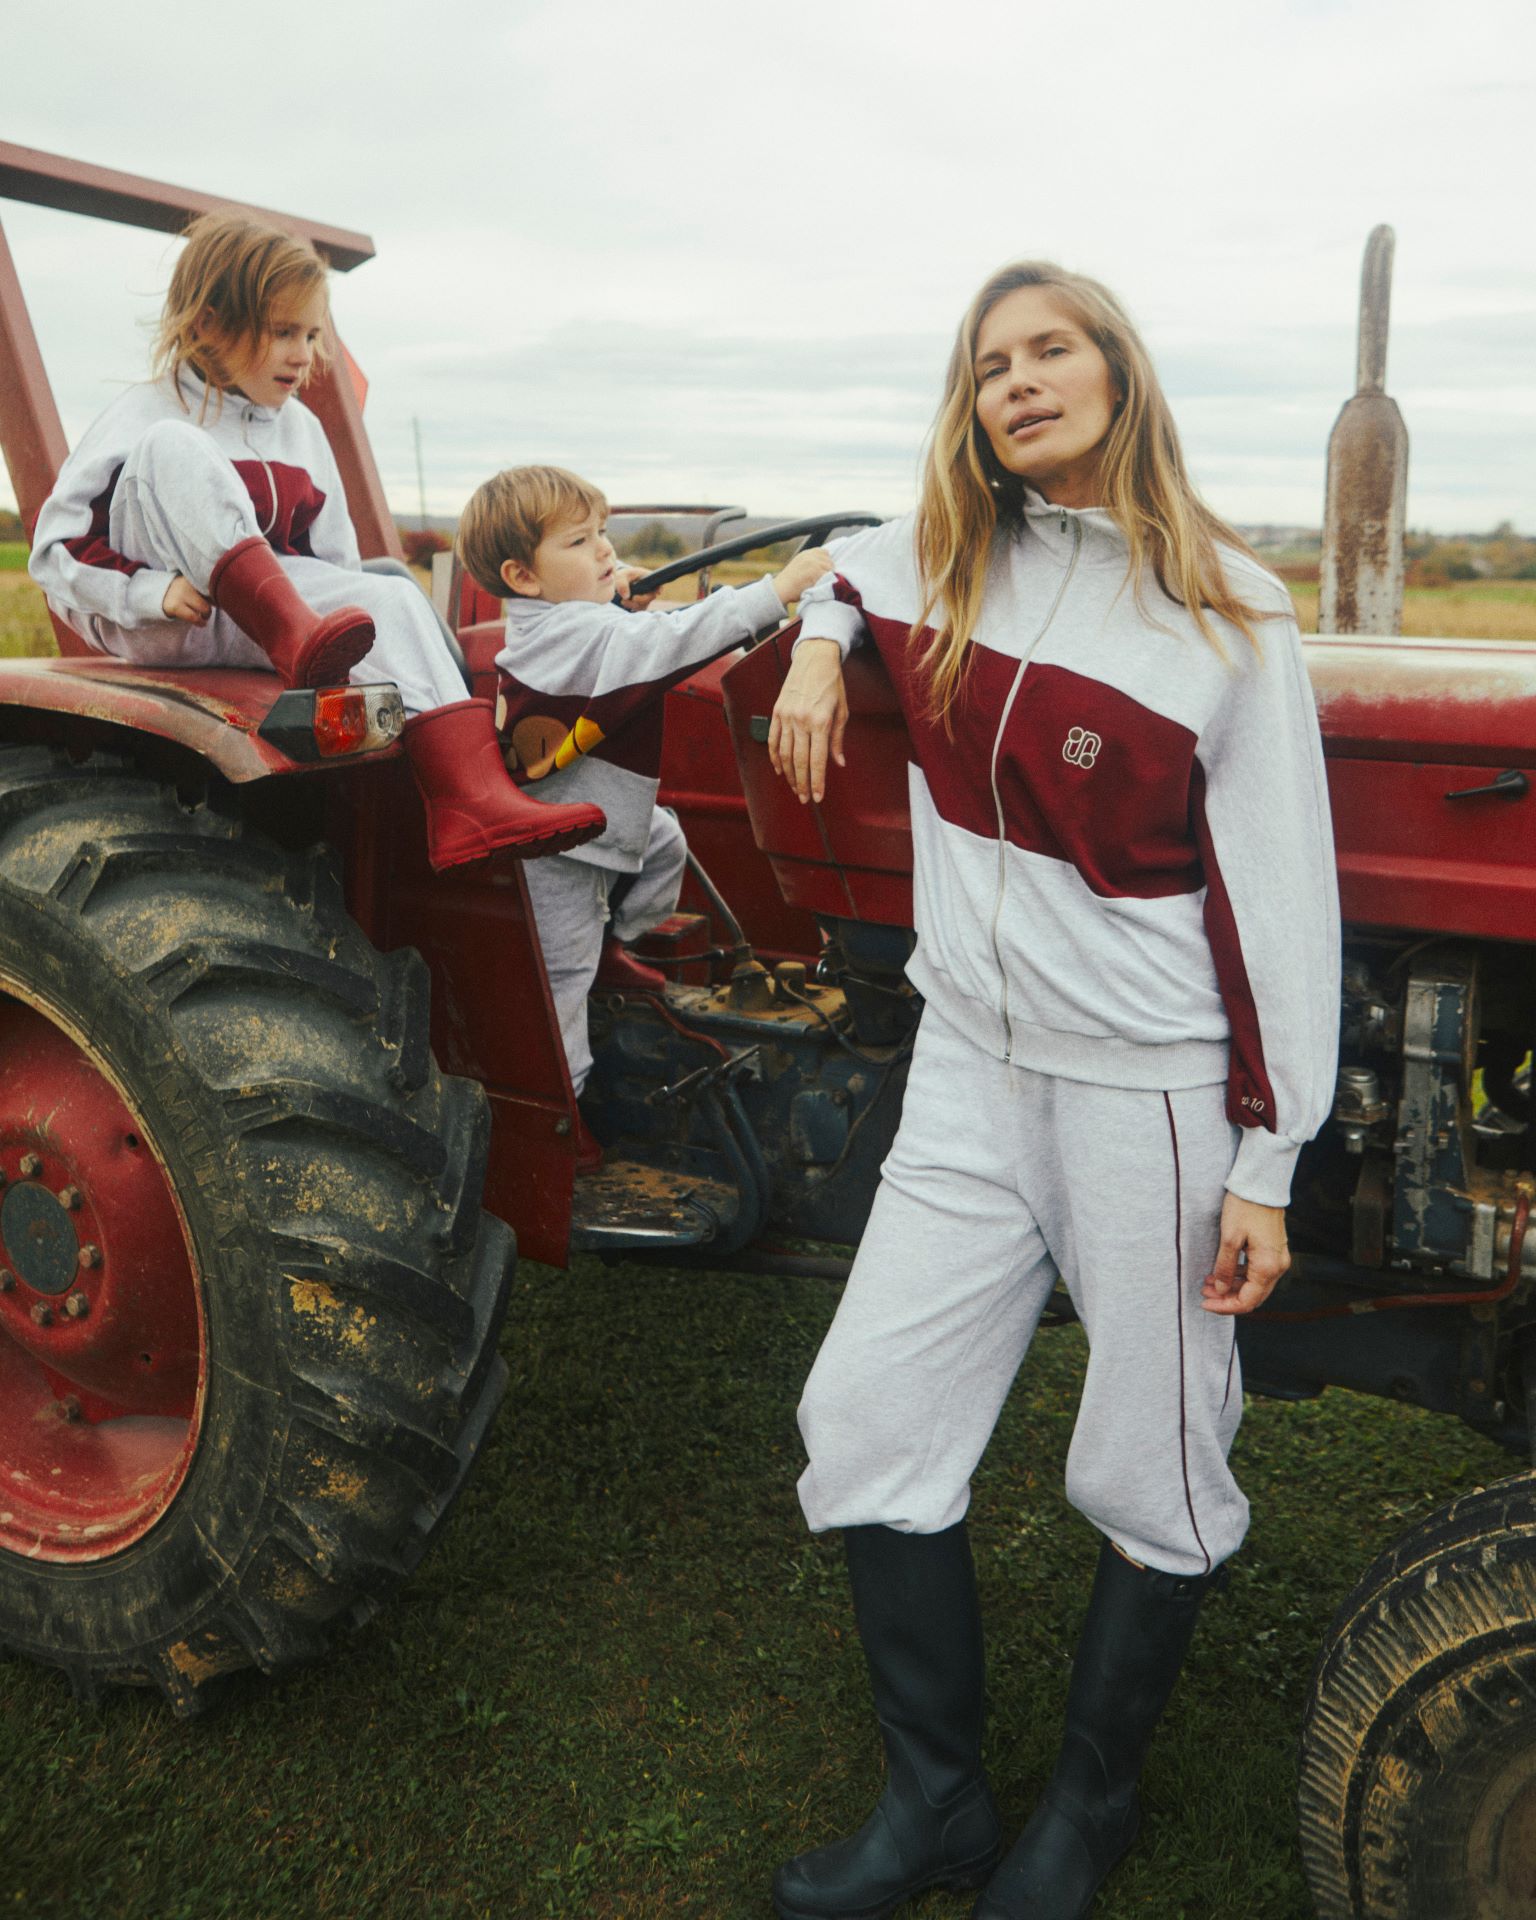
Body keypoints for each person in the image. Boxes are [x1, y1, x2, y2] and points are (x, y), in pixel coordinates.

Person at [765, 262, 1340, 1920]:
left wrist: (1267, 1160)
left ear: (1116, 373)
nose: (1016, 382)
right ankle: (937, 1807)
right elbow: (842, 561)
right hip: (968, 1068)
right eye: (988, 365)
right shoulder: (947, 558)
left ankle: (1088, 1811)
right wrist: (818, 649)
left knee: (1155, 1467)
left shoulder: (1225, 611)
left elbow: (1283, 904)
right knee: (868, 1419)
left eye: (1048, 350)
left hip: (1146, 1091)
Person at [28, 212, 603, 873]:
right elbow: (54, 552)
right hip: (169, 614)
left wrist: (356, 618)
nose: (303, 355)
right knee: (173, 447)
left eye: (310, 334)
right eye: (282, 333)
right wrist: (147, 592)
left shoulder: (301, 429)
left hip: (275, 626)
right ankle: (291, 629)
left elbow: (337, 567)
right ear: (208, 324)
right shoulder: (146, 412)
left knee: (390, 597)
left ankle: (470, 801)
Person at [456, 465, 832, 1164]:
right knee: (559, 983)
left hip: (600, 816)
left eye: (602, 533)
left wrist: (620, 596)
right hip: (557, 845)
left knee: (666, 842)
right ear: (523, 575)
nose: (604, 549)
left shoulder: (562, 620)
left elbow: (611, 631)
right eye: (579, 542)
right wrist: (774, 591)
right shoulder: (570, 635)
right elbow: (662, 643)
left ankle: (614, 948)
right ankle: (555, 1124)